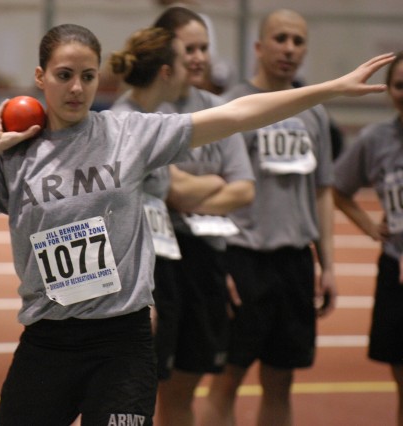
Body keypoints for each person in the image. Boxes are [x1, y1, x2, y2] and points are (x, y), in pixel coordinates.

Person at [0, 21, 393, 426]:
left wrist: (329, 89)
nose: (76, 89)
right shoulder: (16, 158)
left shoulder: (129, 134)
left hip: (122, 340)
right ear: (40, 77)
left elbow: (233, 115)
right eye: (64, 76)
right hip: (48, 340)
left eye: (88, 77)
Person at [202, 9, 339, 426]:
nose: (289, 49)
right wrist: (217, 262)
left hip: (294, 263)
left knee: (281, 381)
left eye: (298, 41)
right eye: (280, 39)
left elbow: (321, 191)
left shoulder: (314, 112)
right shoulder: (233, 108)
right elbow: (211, 189)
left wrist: (328, 264)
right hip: (243, 259)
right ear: (260, 47)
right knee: (226, 379)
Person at [148, 7, 255, 426]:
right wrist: (214, 182)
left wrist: (192, 189)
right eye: (188, 48)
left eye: (204, 48)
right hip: (160, 260)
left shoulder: (219, 109)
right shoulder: (148, 113)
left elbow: (245, 189)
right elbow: (171, 190)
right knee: (152, 386)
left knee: (188, 387)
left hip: (208, 258)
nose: (198, 57)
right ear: (164, 52)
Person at [332, 51, 403, 426]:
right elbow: (339, 189)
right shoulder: (377, 139)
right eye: (399, 85)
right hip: (396, 268)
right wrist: (372, 228)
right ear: (389, 90)